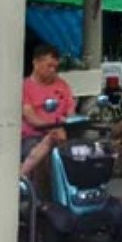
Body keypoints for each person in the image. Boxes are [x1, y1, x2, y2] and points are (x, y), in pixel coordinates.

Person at [19, 45, 76, 190]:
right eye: (49, 66)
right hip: (32, 137)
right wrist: (51, 129)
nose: (52, 70)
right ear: (36, 63)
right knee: (45, 157)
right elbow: (29, 116)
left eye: (55, 67)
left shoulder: (62, 85)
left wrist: (67, 123)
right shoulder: (24, 86)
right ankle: (39, 201)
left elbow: (71, 112)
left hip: (61, 135)